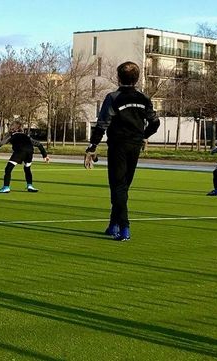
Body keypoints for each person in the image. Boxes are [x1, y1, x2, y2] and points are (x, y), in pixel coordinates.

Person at [85, 61, 160, 242]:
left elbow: (102, 124)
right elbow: (155, 122)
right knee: (123, 186)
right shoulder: (144, 98)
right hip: (134, 146)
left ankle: (124, 226)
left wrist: (92, 146)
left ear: (119, 78)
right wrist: (143, 136)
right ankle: (113, 225)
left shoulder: (113, 97)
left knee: (117, 186)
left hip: (118, 145)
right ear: (137, 78)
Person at [0, 122, 50, 193]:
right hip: (30, 152)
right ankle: (30, 186)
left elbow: (1, 143)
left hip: (20, 151)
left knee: (8, 169)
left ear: (12, 128)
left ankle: (6, 187)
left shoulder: (11, 135)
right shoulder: (26, 136)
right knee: (27, 168)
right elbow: (39, 144)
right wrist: (45, 155)